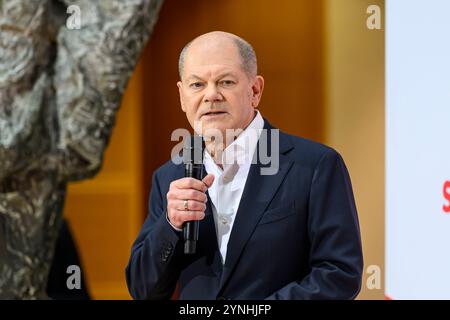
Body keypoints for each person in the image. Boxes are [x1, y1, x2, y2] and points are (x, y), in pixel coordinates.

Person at [125, 31, 363, 300]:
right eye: (197, 85)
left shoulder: (314, 166)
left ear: (255, 90)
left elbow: (339, 274)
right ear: (182, 96)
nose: (211, 95)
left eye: (225, 82)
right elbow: (143, 290)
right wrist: (171, 224)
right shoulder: (170, 176)